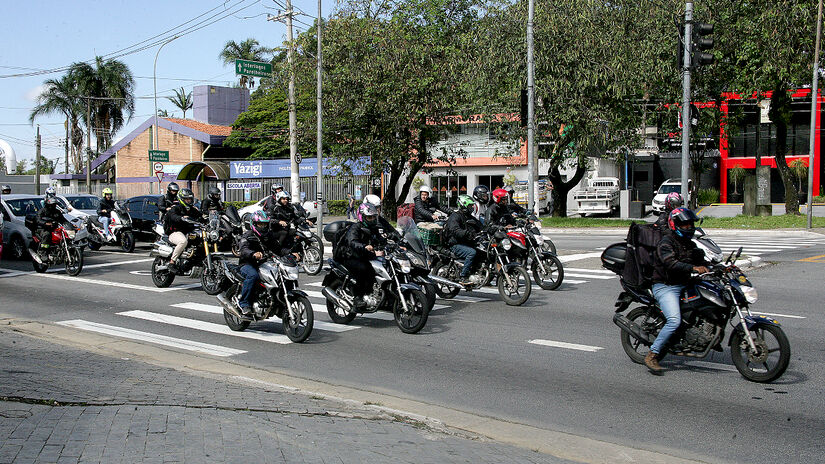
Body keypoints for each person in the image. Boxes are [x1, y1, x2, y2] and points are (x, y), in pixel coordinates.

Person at [645, 207, 709, 374]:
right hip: (666, 286)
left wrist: (721, 267)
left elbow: (702, 260)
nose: (688, 227)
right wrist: (694, 267)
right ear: (675, 225)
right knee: (674, 320)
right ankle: (653, 354)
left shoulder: (689, 244)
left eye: (690, 224)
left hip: (685, 283)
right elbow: (671, 264)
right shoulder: (666, 243)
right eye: (684, 224)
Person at [236, 211, 294, 314]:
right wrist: (253, 254)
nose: (263, 227)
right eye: (260, 224)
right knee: (253, 276)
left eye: (264, 224)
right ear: (254, 224)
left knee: (280, 274)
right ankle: (244, 303)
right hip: (247, 264)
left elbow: (278, 249)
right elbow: (244, 250)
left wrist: (291, 253)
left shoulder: (268, 236)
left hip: (264, 263)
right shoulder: (247, 236)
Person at [339, 203, 387, 308]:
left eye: (374, 217)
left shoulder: (374, 227)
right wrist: (364, 246)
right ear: (362, 217)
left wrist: (393, 244)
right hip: (352, 256)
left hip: (366, 256)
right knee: (364, 269)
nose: (373, 219)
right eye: (370, 217)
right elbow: (352, 242)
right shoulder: (355, 228)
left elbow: (381, 239)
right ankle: (358, 297)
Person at [444, 194, 484, 286]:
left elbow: (481, 227)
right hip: (455, 244)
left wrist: (490, 230)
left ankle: (474, 271)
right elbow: (454, 230)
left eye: (472, 206)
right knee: (471, 252)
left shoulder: (469, 217)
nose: (472, 208)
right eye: (470, 206)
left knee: (481, 251)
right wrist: (467, 233)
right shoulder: (455, 216)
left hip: (465, 242)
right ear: (463, 205)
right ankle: (463, 276)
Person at [165, 188, 201, 272]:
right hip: (174, 232)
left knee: (200, 241)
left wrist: (209, 220)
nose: (189, 201)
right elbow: (173, 216)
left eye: (190, 199)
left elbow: (200, 216)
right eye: (186, 199)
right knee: (183, 241)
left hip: (187, 232)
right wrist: (181, 218)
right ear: (181, 199)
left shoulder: (192, 209)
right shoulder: (176, 208)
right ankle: (172, 262)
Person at [32, 196, 69, 263]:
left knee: (63, 234)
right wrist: (45, 223)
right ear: (48, 205)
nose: (53, 206)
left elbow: (63, 220)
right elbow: (37, 220)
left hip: (54, 229)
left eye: (54, 204)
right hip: (42, 229)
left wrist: (71, 225)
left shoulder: (57, 212)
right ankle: (43, 252)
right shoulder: (42, 211)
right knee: (47, 234)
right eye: (52, 205)